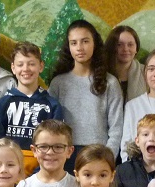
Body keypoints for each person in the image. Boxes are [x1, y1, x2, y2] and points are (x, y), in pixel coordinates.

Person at [48, 20, 123, 169]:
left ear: (95, 44)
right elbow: (50, 126)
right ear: (68, 47)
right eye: (74, 43)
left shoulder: (110, 83)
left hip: (98, 154)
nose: (79, 48)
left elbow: (116, 128)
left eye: (85, 41)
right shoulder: (58, 83)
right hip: (64, 155)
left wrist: (107, 159)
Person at [0, 41, 63, 176]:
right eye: (20, 64)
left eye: (31, 64)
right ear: (13, 68)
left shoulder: (52, 106)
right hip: (8, 172)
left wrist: (39, 173)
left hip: (42, 172)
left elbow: (55, 144)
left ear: (41, 66)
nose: (26, 69)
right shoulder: (2, 104)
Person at [103, 26, 146, 103]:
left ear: (136, 48)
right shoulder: (100, 72)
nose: (125, 49)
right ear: (111, 47)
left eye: (130, 44)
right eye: (119, 44)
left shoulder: (147, 72)